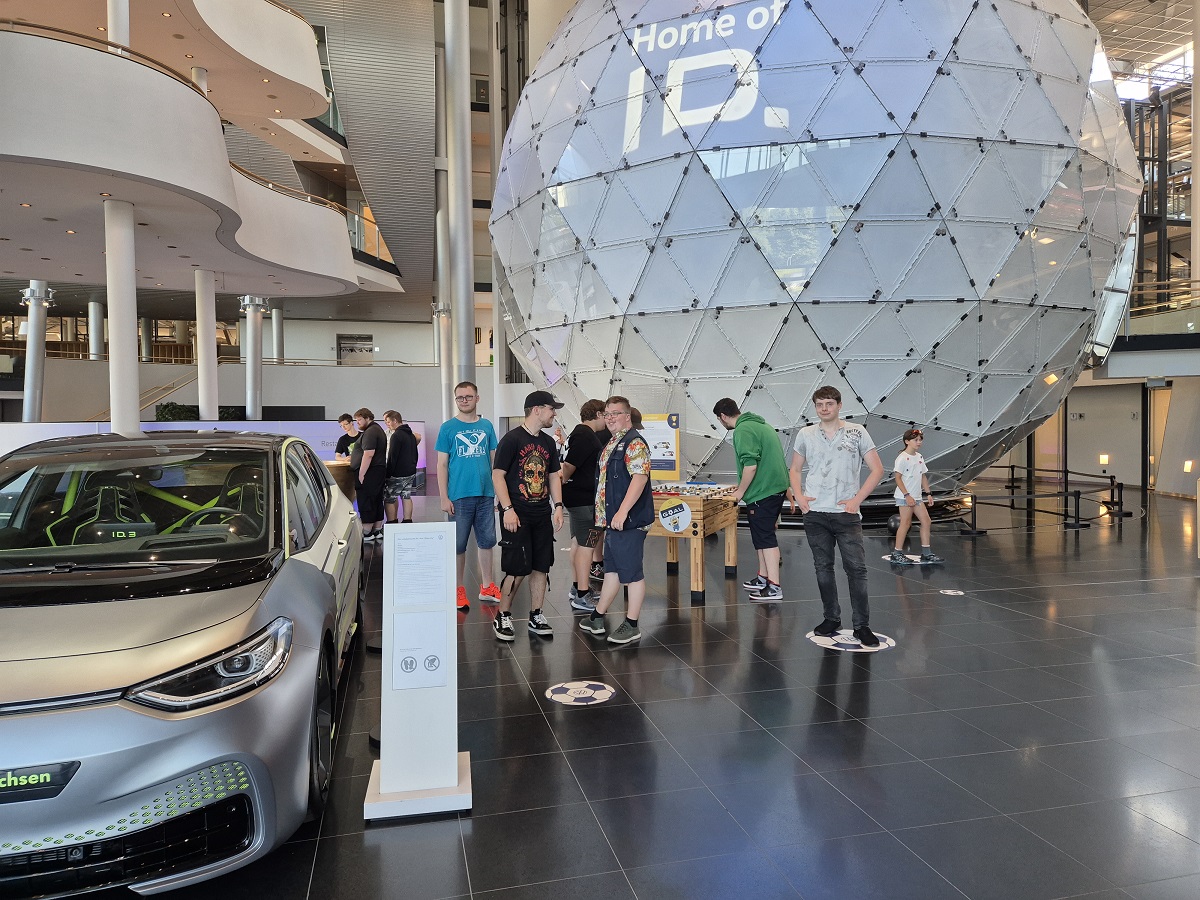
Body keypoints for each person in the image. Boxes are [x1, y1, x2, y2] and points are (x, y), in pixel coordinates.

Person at [789, 386, 886, 647]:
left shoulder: (857, 432)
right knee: (823, 568)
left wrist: (857, 500)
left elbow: (877, 469)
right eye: (820, 404)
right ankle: (831, 618)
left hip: (846, 513)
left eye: (829, 404)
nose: (824, 409)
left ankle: (862, 626)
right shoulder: (806, 434)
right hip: (816, 513)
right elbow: (795, 469)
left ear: (839, 405)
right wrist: (799, 496)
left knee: (856, 569)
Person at [491, 390, 566, 641]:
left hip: (541, 513)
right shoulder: (511, 440)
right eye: (551, 408)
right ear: (536, 409)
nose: (554, 413)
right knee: (516, 568)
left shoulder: (547, 442)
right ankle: (503, 615)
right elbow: (498, 475)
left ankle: (536, 614)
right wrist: (508, 509)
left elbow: (554, 475)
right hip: (517, 514)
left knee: (541, 567)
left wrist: (557, 506)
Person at [579, 396, 653, 644]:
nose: (610, 418)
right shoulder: (614, 442)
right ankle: (597, 616)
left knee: (631, 573)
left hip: (627, 521)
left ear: (627, 416)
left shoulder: (634, 443)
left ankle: (632, 624)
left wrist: (622, 512)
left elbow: (639, 479)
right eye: (607, 414)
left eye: (615, 413)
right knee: (611, 571)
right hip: (611, 521)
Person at [713, 398, 791, 602]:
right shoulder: (761, 425)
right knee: (761, 536)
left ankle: (774, 586)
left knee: (765, 538)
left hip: (763, 491)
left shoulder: (742, 430)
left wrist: (740, 493)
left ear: (722, 416)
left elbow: (751, 466)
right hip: (774, 488)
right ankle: (763, 578)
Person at [435, 381, 500, 613]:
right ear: (456, 400)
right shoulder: (448, 428)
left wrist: (499, 493)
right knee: (458, 546)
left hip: (485, 495)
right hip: (459, 497)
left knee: (487, 542)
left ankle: (487, 586)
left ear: (477, 398)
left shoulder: (486, 426)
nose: (464, 400)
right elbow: (442, 465)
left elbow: (495, 462)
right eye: (460, 397)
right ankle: (458, 589)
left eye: (468, 396)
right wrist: (444, 497)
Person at [561, 399, 607, 612]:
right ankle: (581, 594)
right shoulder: (585, 435)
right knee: (586, 547)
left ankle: (579, 587)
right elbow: (569, 465)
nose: (607, 419)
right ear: (597, 414)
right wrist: (560, 483)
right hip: (583, 501)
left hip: (580, 499)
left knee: (579, 545)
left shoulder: (578, 433)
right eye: (605, 414)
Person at [890, 428, 943, 565]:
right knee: (905, 523)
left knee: (926, 521)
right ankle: (897, 553)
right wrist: (907, 495)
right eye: (915, 440)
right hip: (905, 496)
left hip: (917, 496)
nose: (919, 442)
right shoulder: (902, 458)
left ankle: (926, 553)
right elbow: (898, 478)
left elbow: (923, 476)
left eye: (920, 440)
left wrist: (928, 493)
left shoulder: (919, 457)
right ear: (907, 441)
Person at [352, 408, 388, 541]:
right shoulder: (376, 429)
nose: (358, 423)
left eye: (359, 420)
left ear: (367, 418)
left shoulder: (371, 431)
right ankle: (376, 529)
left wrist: (361, 473)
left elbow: (368, 454)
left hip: (370, 471)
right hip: (376, 471)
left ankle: (366, 531)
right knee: (376, 499)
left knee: (367, 499)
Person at [383, 410, 421, 524]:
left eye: (388, 421)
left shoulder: (396, 436)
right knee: (406, 496)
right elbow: (415, 453)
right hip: (410, 472)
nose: (387, 424)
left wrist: (388, 473)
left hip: (397, 474)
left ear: (395, 420)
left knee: (389, 498)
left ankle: (391, 522)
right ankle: (407, 520)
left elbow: (392, 457)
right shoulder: (411, 435)